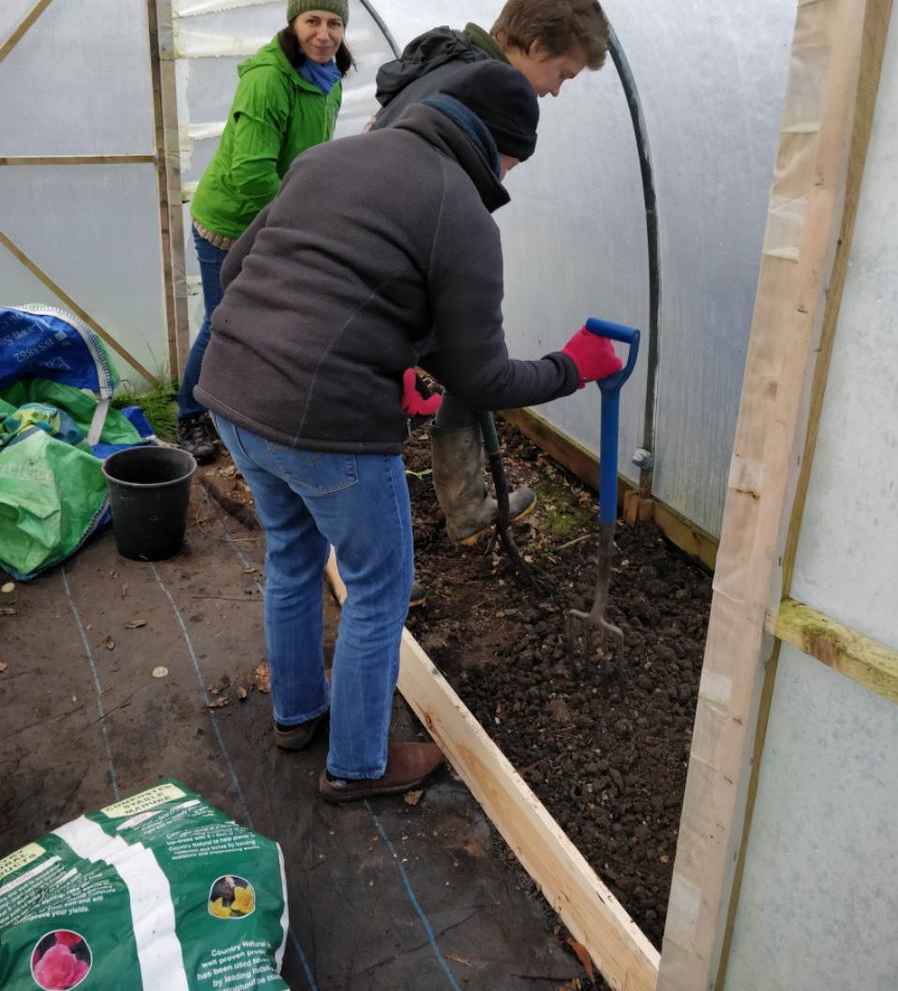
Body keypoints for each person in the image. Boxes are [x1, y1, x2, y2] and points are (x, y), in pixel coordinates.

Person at [194, 60, 622, 804]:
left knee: (294, 558)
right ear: (501, 148)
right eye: (519, 159)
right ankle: (357, 765)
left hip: (233, 397)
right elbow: (483, 379)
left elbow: (238, 268)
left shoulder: (331, 157)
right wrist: (571, 366)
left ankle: (296, 715)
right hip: (327, 427)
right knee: (379, 590)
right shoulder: (462, 214)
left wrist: (394, 357)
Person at [369, 0, 610, 550]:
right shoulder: (483, 89)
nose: (554, 92)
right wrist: (570, 368)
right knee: (469, 372)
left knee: (463, 364)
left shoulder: (442, 65)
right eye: (562, 74)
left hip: (371, 280)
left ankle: (467, 504)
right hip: (372, 305)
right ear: (532, 46)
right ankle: (400, 568)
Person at [175, 0, 354, 462]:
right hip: (229, 222)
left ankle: (237, 406)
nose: (324, 34)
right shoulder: (267, 80)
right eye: (312, 21)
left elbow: (312, 156)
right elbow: (252, 173)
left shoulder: (329, 80)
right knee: (224, 320)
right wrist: (294, 225)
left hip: (275, 219)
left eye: (334, 22)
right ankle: (189, 415)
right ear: (292, 24)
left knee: (261, 320)